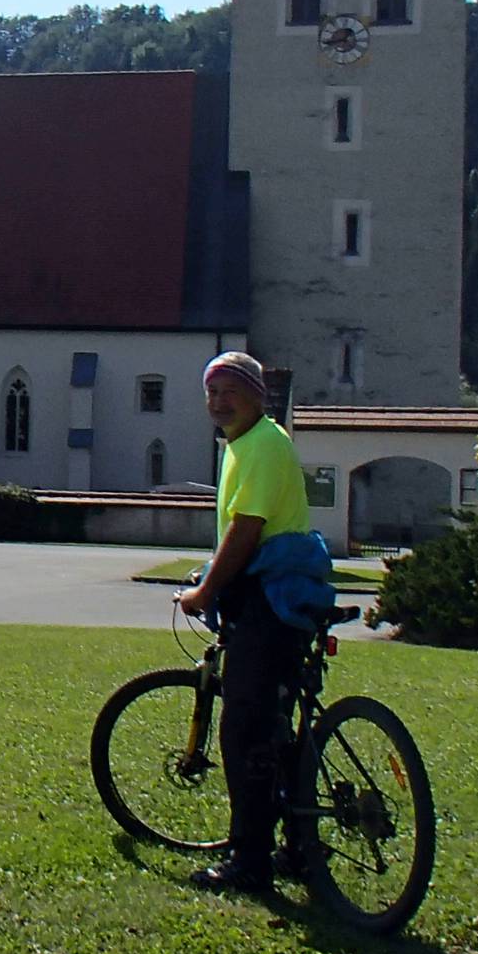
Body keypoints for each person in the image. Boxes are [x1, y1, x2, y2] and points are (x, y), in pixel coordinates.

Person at [174, 350, 315, 892]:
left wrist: (207, 590)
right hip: (273, 598)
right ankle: (299, 847)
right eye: (211, 392)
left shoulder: (260, 446)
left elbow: (247, 529)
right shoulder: (246, 444)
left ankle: (249, 862)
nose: (218, 401)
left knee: (243, 729)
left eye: (229, 390)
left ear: (258, 395)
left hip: (269, 604)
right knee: (275, 729)